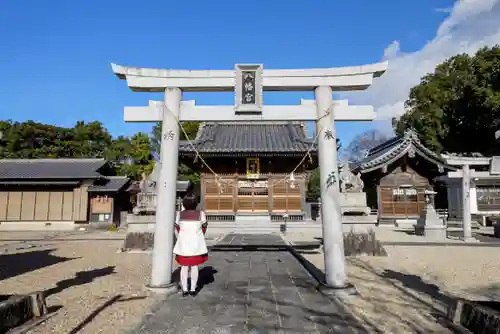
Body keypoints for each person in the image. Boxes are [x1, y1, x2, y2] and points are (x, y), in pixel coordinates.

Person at [173, 193, 208, 297]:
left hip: (183, 244)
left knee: (184, 266)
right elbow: (204, 226)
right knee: (194, 266)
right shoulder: (200, 214)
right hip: (196, 243)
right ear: (195, 203)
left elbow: (177, 228)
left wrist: (182, 235)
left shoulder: (180, 214)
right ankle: (193, 289)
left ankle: (184, 289)